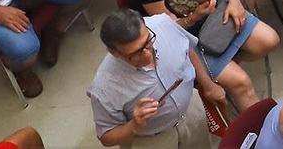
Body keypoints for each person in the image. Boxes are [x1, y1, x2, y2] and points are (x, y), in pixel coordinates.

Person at [88, 8, 222, 149]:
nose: (147, 54)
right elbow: (106, 137)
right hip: (152, 139)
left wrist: (208, 84)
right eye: (135, 53)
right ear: (113, 52)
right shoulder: (104, 87)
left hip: (191, 111)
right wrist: (134, 124)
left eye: (148, 42)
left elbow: (187, 49)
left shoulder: (163, 24)